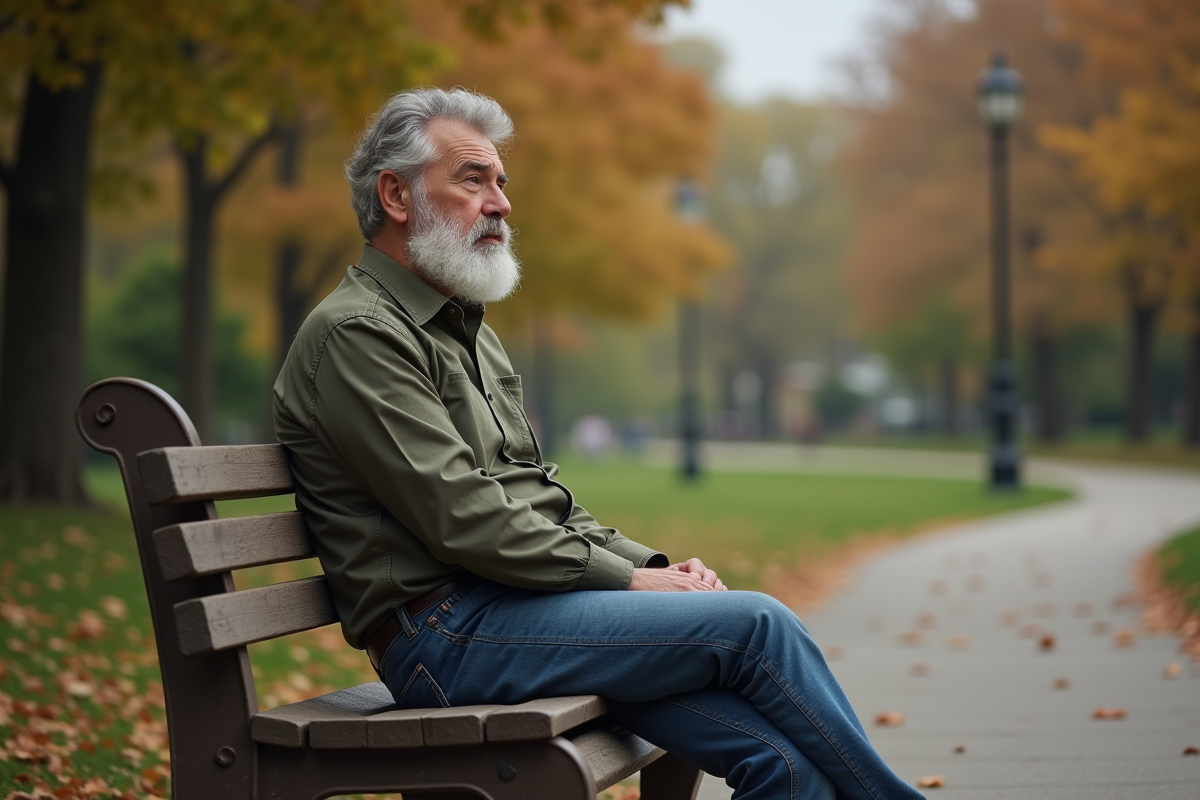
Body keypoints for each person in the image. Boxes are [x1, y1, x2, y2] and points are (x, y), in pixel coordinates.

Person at [274, 87, 923, 800]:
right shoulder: (358, 335)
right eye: (472, 179)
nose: (500, 204)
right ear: (395, 196)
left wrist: (653, 569)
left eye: (500, 182)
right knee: (758, 625)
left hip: (518, 613)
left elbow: (538, 496)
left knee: (782, 762)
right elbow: (462, 515)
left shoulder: (468, 333)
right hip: (448, 637)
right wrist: (633, 585)